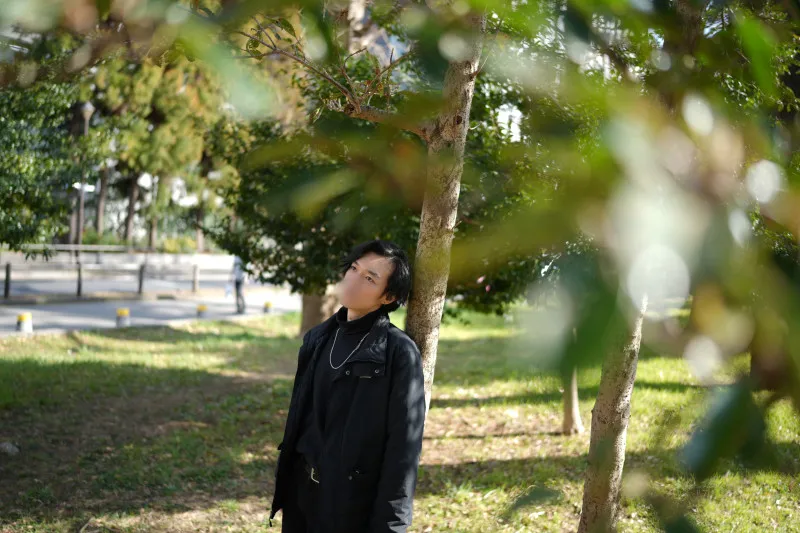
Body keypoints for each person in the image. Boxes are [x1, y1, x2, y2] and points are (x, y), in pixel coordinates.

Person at [269, 239, 427, 533]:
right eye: (354, 268)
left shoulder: (398, 353)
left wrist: (391, 526)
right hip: (301, 492)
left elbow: (402, 450)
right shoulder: (318, 338)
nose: (353, 279)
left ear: (388, 297)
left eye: (369, 278)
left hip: (349, 501)